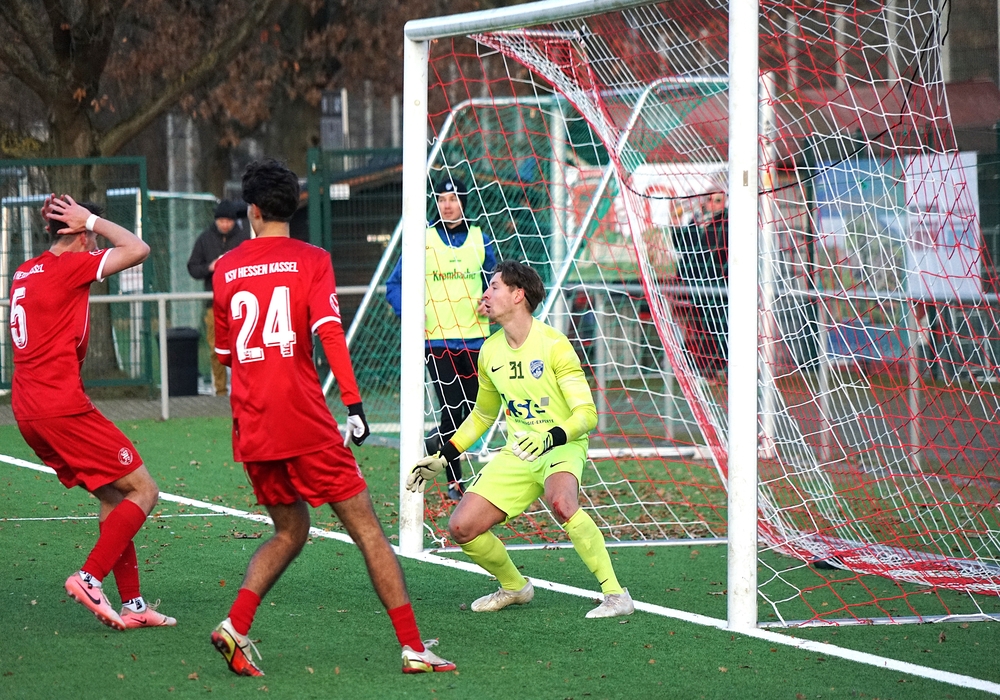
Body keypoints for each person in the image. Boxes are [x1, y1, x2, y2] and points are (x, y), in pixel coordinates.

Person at [210, 159, 455, 677]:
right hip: (304, 422)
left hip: (253, 427)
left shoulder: (225, 268)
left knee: (290, 530)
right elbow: (329, 333)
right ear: (292, 206)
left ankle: (235, 625)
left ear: (253, 211)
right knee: (368, 530)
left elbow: (227, 357)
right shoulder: (313, 259)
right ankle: (413, 648)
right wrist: (354, 404)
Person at [406, 260, 634, 619]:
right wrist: (444, 455)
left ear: (518, 295)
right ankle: (515, 587)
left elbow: (586, 415)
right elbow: (482, 416)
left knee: (562, 502)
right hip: (518, 452)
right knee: (462, 527)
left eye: (494, 286)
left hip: (561, 445)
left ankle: (616, 595)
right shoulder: (490, 351)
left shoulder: (555, 345)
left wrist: (548, 438)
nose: (485, 294)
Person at [9, 195, 176, 630]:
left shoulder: (24, 271)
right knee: (144, 490)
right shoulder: (69, 267)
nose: (96, 241)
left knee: (113, 497)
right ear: (76, 233)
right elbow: (138, 249)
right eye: (89, 233)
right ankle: (89, 578)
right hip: (59, 406)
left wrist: (76, 222)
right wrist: (93, 220)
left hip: (27, 409)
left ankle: (134, 606)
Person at [385, 176, 496, 501]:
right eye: (442, 199)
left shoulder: (480, 239)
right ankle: (455, 483)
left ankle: (436, 441)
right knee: (451, 408)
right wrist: (409, 312)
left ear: (464, 202)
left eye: (453, 199)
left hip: (476, 339)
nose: (447, 205)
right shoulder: (423, 239)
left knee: (479, 410)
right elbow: (394, 285)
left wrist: (490, 300)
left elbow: (496, 282)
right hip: (438, 342)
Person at [187, 199, 251, 395]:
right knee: (216, 348)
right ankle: (220, 391)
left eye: (228, 221)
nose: (224, 224)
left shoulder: (244, 238)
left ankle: (243, 388)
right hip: (213, 303)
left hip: (240, 303)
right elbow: (193, 267)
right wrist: (210, 267)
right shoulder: (205, 239)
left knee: (242, 347)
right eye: (221, 220)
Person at [674, 191, 729, 381]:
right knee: (697, 327)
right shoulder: (696, 222)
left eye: (718, 200)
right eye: (710, 199)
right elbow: (681, 245)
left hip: (717, 286)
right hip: (694, 284)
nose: (713, 204)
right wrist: (681, 221)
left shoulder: (727, 222)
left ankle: (719, 367)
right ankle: (701, 368)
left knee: (717, 327)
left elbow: (717, 252)